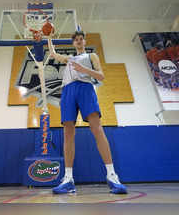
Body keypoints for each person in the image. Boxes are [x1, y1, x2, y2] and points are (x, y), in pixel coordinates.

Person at [47, 31, 127, 194]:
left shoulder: (92, 56)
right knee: (68, 133)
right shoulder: (68, 59)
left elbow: (101, 76)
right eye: (75, 40)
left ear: (84, 41)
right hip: (68, 90)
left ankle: (112, 175)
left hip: (85, 88)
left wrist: (83, 68)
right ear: (73, 43)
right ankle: (68, 179)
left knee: (96, 129)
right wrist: (48, 37)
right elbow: (53, 53)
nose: (78, 41)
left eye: (80, 39)